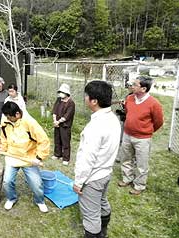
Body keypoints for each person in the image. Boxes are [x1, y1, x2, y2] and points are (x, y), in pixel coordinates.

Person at [73, 80, 121, 238]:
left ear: (94, 101)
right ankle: (104, 231)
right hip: (106, 172)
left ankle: (96, 234)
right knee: (102, 202)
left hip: (92, 178)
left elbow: (87, 159)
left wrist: (79, 182)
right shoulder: (113, 119)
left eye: (86, 96)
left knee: (91, 214)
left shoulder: (95, 127)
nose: (84, 98)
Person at [0, 101, 50, 213]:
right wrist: (3, 148)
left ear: (17, 114)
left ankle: (39, 201)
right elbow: (4, 137)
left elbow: (44, 140)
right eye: (6, 116)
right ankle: (11, 198)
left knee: (37, 184)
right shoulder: (5, 122)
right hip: (12, 156)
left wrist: (39, 157)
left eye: (9, 116)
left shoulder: (30, 123)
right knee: (7, 181)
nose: (7, 118)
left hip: (28, 158)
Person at [118, 75, 164, 195]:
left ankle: (139, 185)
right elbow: (128, 113)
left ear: (143, 89)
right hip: (127, 134)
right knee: (126, 158)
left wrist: (146, 131)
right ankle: (127, 178)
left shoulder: (154, 104)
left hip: (143, 138)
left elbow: (159, 122)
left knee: (141, 163)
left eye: (135, 85)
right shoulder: (129, 98)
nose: (131, 86)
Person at [51, 83, 76, 165]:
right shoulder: (58, 100)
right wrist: (55, 121)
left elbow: (67, 116)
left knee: (65, 141)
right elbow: (54, 111)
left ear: (67, 93)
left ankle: (66, 158)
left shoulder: (71, 103)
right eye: (60, 92)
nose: (61, 94)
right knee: (57, 139)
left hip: (65, 125)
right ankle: (57, 154)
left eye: (62, 92)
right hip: (57, 124)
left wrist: (58, 121)